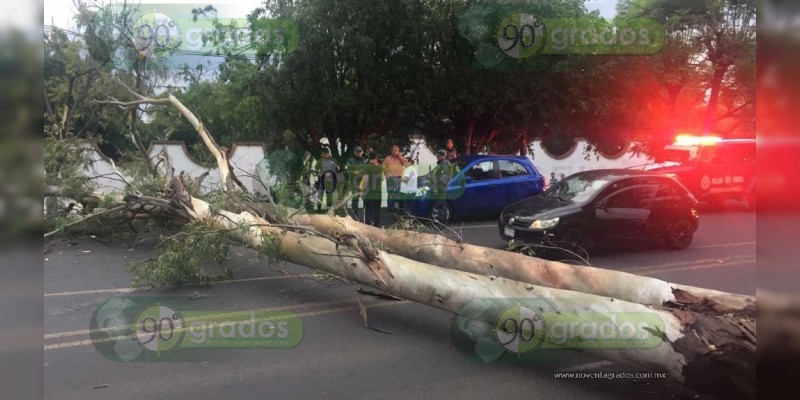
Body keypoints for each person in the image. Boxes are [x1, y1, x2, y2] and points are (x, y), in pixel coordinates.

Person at [360, 151, 383, 227]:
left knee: (368, 210)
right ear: (376, 157)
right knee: (377, 210)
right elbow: (382, 178)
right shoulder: (380, 167)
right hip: (378, 192)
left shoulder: (367, 167)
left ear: (370, 157)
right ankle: (376, 226)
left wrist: (361, 190)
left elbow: (365, 180)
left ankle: (368, 226)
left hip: (369, 193)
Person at [346, 146, 368, 220]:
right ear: (354, 152)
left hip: (363, 183)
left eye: (360, 151)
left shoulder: (365, 160)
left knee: (366, 199)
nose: (359, 153)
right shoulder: (350, 160)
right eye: (357, 152)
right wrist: (354, 172)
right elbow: (347, 171)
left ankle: (366, 216)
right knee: (355, 201)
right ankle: (355, 217)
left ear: (362, 152)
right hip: (354, 183)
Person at [382, 145, 406, 213]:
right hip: (390, 178)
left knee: (397, 193)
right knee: (390, 193)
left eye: (395, 150)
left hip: (399, 178)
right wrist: (386, 175)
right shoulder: (387, 158)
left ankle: (396, 208)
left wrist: (399, 156)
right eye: (393, 150)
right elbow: (383, 167)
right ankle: (390, 208)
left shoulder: (401, 158)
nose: (394, 152)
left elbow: (405, 164)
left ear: (398, 151)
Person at [317, 147, 341, 211]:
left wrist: (332, 173)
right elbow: (316, 169)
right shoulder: (320, 161)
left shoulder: (333, 161)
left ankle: (328, 209)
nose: (322, 155)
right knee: (320, 195)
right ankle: (318, 209)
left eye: (323, 154)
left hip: (329, 181)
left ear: (327, 153)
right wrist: (318, 174)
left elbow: (338, 170)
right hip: (321, 180)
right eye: (321, 154)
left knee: (329, 195)